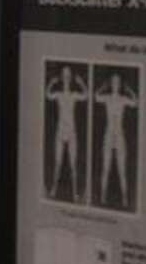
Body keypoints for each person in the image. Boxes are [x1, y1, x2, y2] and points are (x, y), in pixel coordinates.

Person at [94, 73, 137, 208]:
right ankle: (103, 197)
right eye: (113, 82)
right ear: (111, 84)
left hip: (119, 135)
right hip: (108, 135)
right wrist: (103, 87)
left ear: (120, 85)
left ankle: (125, 199)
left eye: (117, 82)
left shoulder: (123, 99)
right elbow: (96, 97)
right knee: (105, 168)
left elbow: (135, 102)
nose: (115, 85)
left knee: (121, 169)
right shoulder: (107, 97)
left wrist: (129, 90)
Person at [46, 66, 87, 203]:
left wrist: (82, 84)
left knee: (73, 164)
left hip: (71, 131)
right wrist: (51, 83)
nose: (66, 78)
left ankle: (75, 193)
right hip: (60, 131)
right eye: (64, 75)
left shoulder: (74, 94)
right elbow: (48, 95)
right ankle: (53, 189)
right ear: (62, 77)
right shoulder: (58, 94)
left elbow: (85, 96)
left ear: (70, 77)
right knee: (58, 163)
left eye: (68, 75)